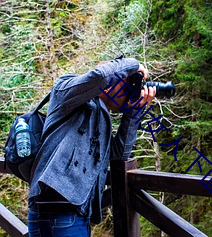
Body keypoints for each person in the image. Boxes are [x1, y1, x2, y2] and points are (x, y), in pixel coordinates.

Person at [27, 57, 156, 237]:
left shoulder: (101, 115)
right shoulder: (66, 88)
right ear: (112, 80)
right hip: (59, 211)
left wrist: (134, 112)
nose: (131, 93)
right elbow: (99, 76)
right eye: (128, 85)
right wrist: (134, 64)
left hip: (74, 213)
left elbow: (118, 154)